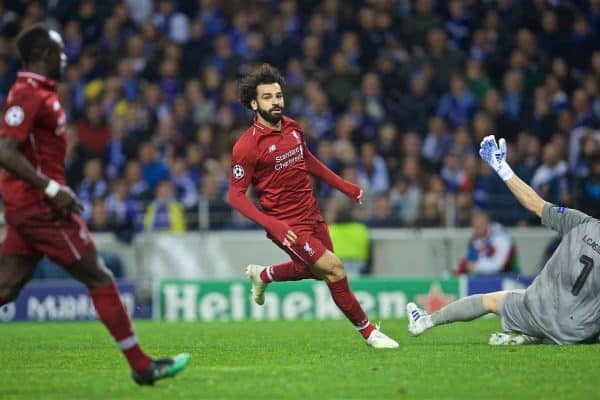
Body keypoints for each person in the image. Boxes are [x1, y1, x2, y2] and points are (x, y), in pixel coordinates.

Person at [0, 25, 189, 384]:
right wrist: (52, 189)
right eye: (58, 50)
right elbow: (4, 150)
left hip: (30, 206)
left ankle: (141, 365)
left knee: (6, 288)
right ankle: (142, 366)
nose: (64, 57)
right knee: (99, 277)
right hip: (42, 208)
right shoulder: (27, 94)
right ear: (42, 54)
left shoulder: (38, 92)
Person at [228, 63, 398, 348]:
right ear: (254, 103)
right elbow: (235, 196)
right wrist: (274, 225)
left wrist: (344, 186)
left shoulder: (293, 127)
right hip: (288, 225)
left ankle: (263, 274)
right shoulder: (247, 146)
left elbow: (307, 160)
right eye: (267, 97)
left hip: (313, 213)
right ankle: (369, 332)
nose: (275, 101)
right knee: (335, 269)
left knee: (316, 270)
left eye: (278, 95)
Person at [407, 135, 600, 345]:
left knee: (490, 301)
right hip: (576, 331)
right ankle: (529, 338)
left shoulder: (581, 223)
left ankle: (426, 321)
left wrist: (501, 168)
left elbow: (533, 202)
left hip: (539, 309)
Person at [453, 210, 518, 275]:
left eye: (479, 226)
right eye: (474, 226)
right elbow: (470, 260)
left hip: (509, 278)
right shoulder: (476, 239)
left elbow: (498, 266)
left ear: (487, 224)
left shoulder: (502, 238)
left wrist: (474, 267)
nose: (475, 229)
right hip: (486, 278)